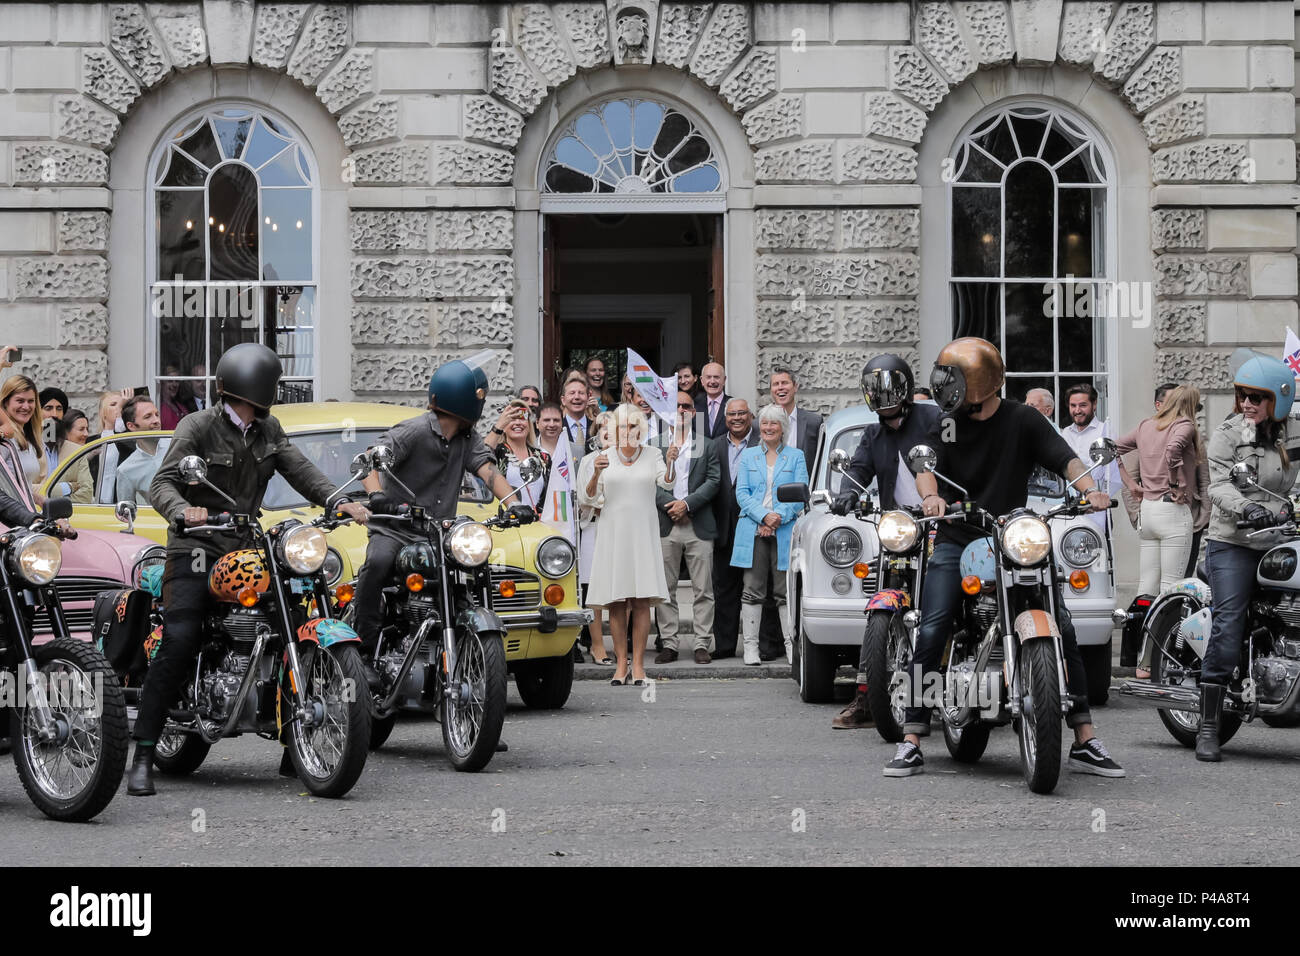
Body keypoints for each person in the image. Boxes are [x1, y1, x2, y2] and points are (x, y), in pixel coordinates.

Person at [125, 343, 371, 796]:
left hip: (244, 548)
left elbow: (303, 471)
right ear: (256, 386)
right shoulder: (197, 426)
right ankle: (142, 750)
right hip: (194, 551)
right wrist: (184, 511)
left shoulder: (267, 429)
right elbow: (163, 482)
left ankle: (293, 741)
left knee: (295, 614)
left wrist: (339, 500)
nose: (273, 394)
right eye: (272, 385)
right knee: (180, 639)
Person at [885, 336, 1124, 778]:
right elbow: (925, 468)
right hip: (956, 534)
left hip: (1012, 532)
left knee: (1063, 625)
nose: (946, 387)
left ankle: (1085, 737)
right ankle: (913, 737)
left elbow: (1065, 459)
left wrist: (1090, 490)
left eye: (953, 379)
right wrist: (933, 497)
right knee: (935, 622)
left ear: (978, 383)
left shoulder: (1023, 420)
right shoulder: (947, 422)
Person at [352, 356, 515, 687]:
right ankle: (364, 652)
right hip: (395, 530)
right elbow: (370, 462)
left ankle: (477, 703)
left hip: (437, 534)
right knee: (377, 563)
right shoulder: (413, 431)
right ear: (467, 399)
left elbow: (488, 470)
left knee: (467, 577)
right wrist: (375, 497)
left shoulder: (468, 439)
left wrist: (514, 504)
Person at [1196, 354, 1299, 762]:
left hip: (1280, 538)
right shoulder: (1227, 434)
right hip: (1234, 541)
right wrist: (1247, 508)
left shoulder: (1294, 432)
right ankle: (1208, 726)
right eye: (1243, 396)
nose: (1248, 404)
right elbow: (1219, 485)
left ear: (1280, 400)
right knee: (1231, 620)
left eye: (1257, 397)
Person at [830, 354, 942, 729]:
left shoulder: (933, 419)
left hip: (944, 522)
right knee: (879, 602)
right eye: (877, 393)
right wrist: (847, 492)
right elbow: (859, 468)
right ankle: (867, 697)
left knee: (949, 601)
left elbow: (958, 456)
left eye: (891, 390)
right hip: (901, 526)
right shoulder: (873, 434)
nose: (885, 399)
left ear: (906, 388)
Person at [1117, 386, 1205, 678]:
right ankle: (1163, 660)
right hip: (1172, 510)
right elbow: (1173, 450)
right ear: (1190, 404)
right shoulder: (1184, 425)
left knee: (1147, 589)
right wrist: (1176, 481)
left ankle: (1143, 662)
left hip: (1149, 512)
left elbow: (1112, 447)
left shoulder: (1145, 425)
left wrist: (1128, 481)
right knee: (1172, 591)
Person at [583, 403, 670, 686]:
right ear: (614, 429)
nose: (628, 431)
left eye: (634, 426)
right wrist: (595, 473)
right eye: (622, 426)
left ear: (641, 429)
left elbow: (667, 483)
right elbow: (589, 497)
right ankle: (621, 664)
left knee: (641, 600)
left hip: (643, 532)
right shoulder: (603, 456)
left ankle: (640, 665)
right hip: (613, 532)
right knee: (617, 601)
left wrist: (671, 462)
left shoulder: (654, 454)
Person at [731, 404, 808, 665]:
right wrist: (764, 516)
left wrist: (777, 517)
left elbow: (800, 493)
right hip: (753, 528)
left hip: (784, 529)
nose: (768, 428)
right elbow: (741, 493)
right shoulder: (750, 456)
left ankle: (791, 646)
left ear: (782, 427)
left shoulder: (796, 456)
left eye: (773, 424)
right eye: (764, 424)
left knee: (784, 590)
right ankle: (751, 648)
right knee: (752, 589)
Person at [654, 391, 721, 664]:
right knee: (665, 589)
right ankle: (669, 643)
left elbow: (713, 481)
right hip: (666, 523)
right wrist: (673, 505)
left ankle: (702, 643)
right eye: (675, 406)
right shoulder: (654, 446)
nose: (681, 410)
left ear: (694, 412)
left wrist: (687, 505)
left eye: (686, 406)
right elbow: (650, 483)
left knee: (703, 589)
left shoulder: (708, 445)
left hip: (698, 524)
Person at [711, 398, 759, 659]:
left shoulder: (763, 443)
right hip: (723, 527)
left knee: (757, 588)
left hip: (755, 527)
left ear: (751, 416)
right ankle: (725, 644)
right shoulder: (715, 445)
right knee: (724, 588)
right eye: (732, 414)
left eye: (742, 413)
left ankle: (765, 643)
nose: (737, 418)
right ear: (725, 418)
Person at [576, 411, 615, 664]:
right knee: (594, 589)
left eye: (612, 426)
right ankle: (597, 644)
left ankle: (621, 646)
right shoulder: (589, 460)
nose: (607, 431)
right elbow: (583, 498)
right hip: (594, 527)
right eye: (602, 427)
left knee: (621, 589)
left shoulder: (630, 459)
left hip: (620, 528)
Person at [1060, 383, 1118, 533]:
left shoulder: (1104, 431)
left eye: (1083, 405)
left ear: (1094, 404)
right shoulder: (1064, 433)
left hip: (1095, 508)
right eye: (1073, 405)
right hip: (1067, 508)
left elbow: (1114, 473)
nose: (1077, 410)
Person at [489, 399, 550, 514]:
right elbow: (481, 454)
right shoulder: (496, 452)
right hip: (505, 523)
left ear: (529, 424)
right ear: (504, 424)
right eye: (512, 419)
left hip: (538, 525)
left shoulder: (543, 456)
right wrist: (498, 426)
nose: (517, 423)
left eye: (522, 418)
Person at [112, 396, 170, 505]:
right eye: (148, 417)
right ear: (131, 426)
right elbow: (126, 514)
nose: (156, 420)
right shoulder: (125, 470)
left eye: (157, 415)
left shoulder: (178, 446)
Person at [0, 375, 48, 501]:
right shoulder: (4, 439)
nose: (26, 407)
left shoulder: (30, 438)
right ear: (6, 402)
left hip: (26, 515)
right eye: (20, 401)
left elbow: (21, 489)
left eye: (30, 401)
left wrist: (40, 500)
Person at [769, 366, 822, 474]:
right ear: (771, 390)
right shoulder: (759, 424)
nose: (780, 387)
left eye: (784, 383)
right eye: (775, 384)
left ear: (795, 387)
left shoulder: (813, 422)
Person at [52, 409, 93, 503]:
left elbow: (86, 494)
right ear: (66, 432)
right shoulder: (48, 453)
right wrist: (71, 486)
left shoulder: (82, 454)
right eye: (81, 429)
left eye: (87, 429)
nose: (86, 434)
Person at [561, 376, 594, 462]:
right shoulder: (557, 428)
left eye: (581, 393)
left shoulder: (597, 428)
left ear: (588, 398)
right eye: (572, 393)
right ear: (563, 400)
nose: (577, 397)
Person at [694, 362, 730, 440]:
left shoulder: (732, 404)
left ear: (724, 380)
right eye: (708, 377)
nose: (712, 381)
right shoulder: (694, 405)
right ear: (702, 380)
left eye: (716, 377)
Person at [158, 364, 201, 429]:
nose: (174, 384)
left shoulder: (180, 405)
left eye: (177, 381)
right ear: (162, 382)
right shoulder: (158, 406)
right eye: (170, 381)